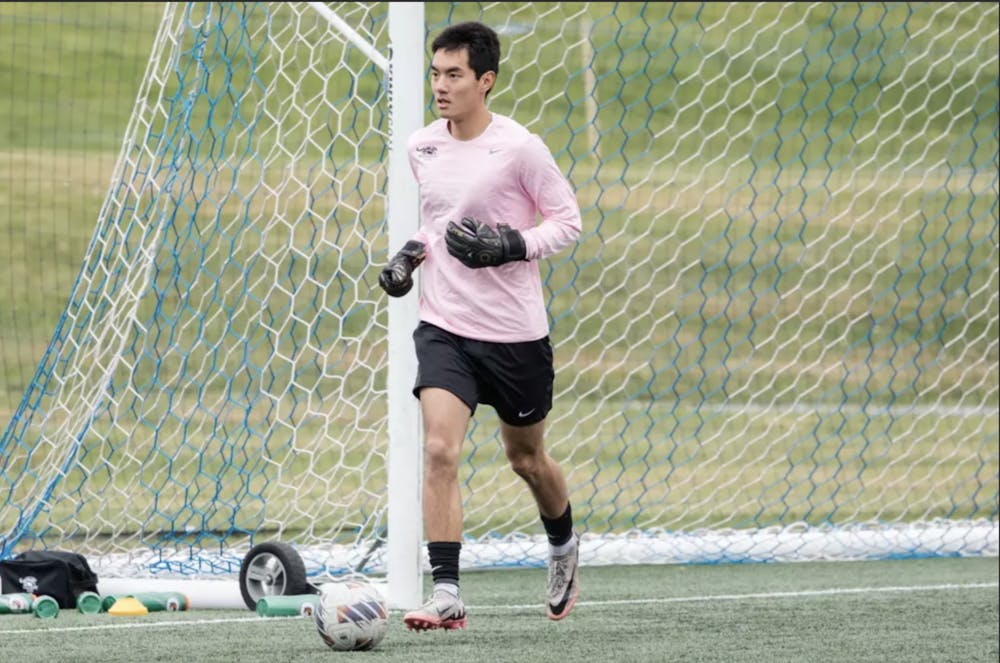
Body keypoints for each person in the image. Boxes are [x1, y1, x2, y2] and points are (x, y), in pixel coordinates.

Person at [377, 21, 583, 631]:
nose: (440, 86)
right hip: (444, 325)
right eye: (435, 74)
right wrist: (407, 258)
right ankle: (446, 594)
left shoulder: (521, 149)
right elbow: (437, 222)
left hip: (516, 334)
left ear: (484, 81)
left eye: (454, 75)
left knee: (526, 458)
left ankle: (563, 546)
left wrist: (510, 244)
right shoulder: (422, 147)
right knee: (440, 448)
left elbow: (567, 223)